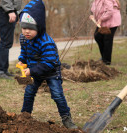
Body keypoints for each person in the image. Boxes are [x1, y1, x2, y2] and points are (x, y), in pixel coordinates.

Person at [17, 0, 78, 129]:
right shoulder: (24, 38)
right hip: (34, 70)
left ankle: (66, 118)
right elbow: (25, 51)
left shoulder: (46, 42)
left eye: (31, 28)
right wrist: (22, 60)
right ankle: (24, 116)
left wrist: (31, 71)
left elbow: (49, 63)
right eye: (24, 28)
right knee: (29, 92)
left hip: (51, 72)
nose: (26, 32)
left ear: (39, 27)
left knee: (57, 94)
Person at [0, 0, 22, 79]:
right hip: (6, 10)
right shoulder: (8, 10)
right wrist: (10, 10)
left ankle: (3, 69)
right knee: (5, 42)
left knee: (7, 42)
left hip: (9, 9)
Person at [89, 0, 121, 65]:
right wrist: (93, 17)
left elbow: (110, 11)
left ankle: (106, 61)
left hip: (111, 22)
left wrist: (100, 19)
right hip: (103, 22)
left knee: (107, 40)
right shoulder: (96, 1)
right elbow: (95, 10)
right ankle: (104, 57)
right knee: (97, 36)